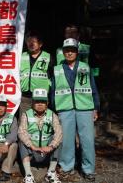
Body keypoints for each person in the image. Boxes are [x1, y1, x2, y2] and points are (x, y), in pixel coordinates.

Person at [51, 38, 99, 182]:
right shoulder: (57, 69)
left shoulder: (85, 66)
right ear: (63, 52)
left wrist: (95, 107)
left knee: (88, 140)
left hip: (85, 108)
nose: (69, 53)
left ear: (77, 52)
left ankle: (88, 169)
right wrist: (55, 109)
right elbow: (52, 91)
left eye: (72, 50)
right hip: (64, 108)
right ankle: (66, 167)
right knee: (66, 140)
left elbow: (93, 88)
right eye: (67, 50)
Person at [18, 88, 62, 183]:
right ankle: (29, 175)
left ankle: (51, 172)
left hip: (46, 153)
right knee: (22, 141)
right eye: (37, 102)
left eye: (43, 102)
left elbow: (59, 131)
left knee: (57, 140)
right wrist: (33, 146)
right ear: (32, 103)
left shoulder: (52, 115)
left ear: (47, 103)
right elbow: (21, 132)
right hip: (32, 153)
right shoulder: (26, 114)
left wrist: (51, 146)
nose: (40, 104)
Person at [19, 31, 53, 117]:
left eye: (33, 42)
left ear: (40, 44)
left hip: (41, 97)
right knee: (24, 121)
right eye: (29, 41)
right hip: (24, 97)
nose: (31, 44)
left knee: (41, 121)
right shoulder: (20, 56)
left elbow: (53, 76)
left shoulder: (48, 57)